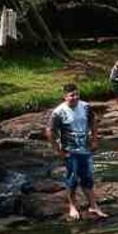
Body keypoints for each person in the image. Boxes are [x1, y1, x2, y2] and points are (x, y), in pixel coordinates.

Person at [46, 84, 108, 220]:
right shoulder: (59, 112)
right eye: (72, 95)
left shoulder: (85, 107)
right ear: (65, 96)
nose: (75, 98)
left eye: (77, 94)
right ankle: (72, 206)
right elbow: (49, 131)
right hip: (70, 151)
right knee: (72, 179)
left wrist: (95, 139)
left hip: (85, 149)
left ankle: (93, 205)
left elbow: (93, 121)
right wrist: (57, 150)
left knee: (88, 177)